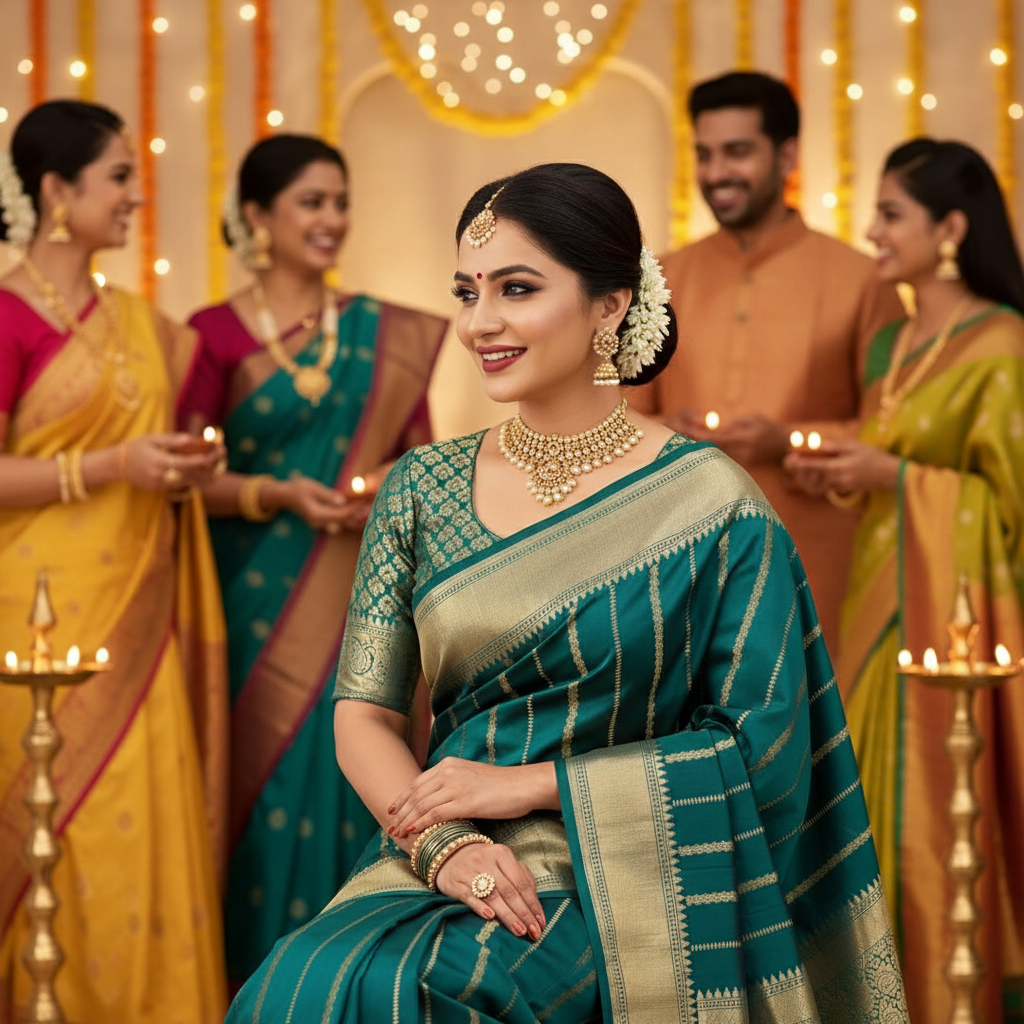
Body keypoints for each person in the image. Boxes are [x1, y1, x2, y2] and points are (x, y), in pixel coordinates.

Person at [225, 162, 908, 1022]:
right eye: (467, 292)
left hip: (636, 868)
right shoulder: (419, 489)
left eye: (516, 289)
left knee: (452, 992)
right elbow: (363, 715)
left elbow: (764, 751)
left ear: (610, 305)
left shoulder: (710, 504)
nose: (481, 323)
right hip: (441, 855)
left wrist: (527, 786)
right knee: (301, 987)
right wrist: (446, 845)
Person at [181, 134, 446, 985]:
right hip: (249, 608)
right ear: (257, 216)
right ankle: (254, 987)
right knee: (257, 801)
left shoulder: (384, 335)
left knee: (355, 783)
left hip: (362, 600)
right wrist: (278, 494)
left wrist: (379, 498)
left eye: (340, 201)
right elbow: (184, 477)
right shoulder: (212, 335)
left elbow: (424, 467)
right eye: (311, 202)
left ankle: (355, 985)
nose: (332, 219)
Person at [786, 138, 1024, 1024]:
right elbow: (887, 450)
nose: (872, 231)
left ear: (951, 229)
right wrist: (846, 469)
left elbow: (1011, 509)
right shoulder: (891, 340)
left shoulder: (1002, 346)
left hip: (951, 629)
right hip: (873, 600)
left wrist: (898, 480)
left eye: (891, 214)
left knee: (924, 813)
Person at [0, 100, 228, 1022]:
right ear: (59, 191)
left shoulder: (151, 327)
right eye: (120, 176)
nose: (138, 194)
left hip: (137, 611)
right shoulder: (8, 319)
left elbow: (155, 453)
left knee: (134, 832)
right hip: (32, 618)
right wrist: (110, 464)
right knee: (55, 828)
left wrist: (180, 467)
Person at [630, 71, 903, 652]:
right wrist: (662, 439)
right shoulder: (661, 278)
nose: (715, 173)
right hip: (683, 559)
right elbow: (618, 416)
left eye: (737, 152)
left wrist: (787, 441)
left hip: (819, 560)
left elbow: (891, 434)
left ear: (787, 156)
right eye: (703, 154)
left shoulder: (862, 281)